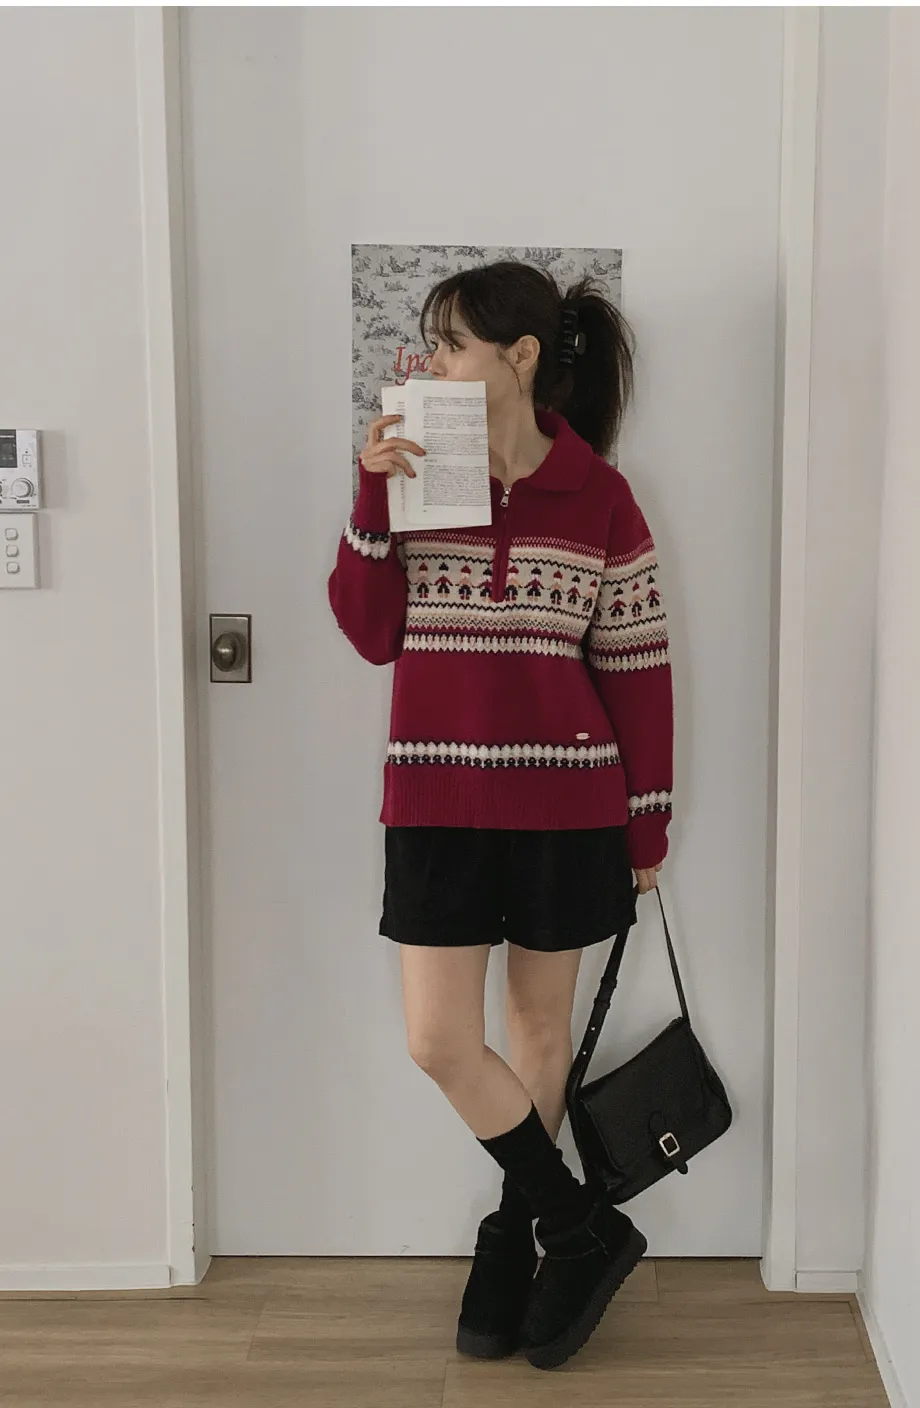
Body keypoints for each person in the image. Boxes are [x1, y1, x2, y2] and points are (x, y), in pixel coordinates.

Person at [328, 259, 673, 1371]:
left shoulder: (602, 497)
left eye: (450, 346)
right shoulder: (415, 477)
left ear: (519, 358)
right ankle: (573, 1226)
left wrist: (647, 828)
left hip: (568, 809)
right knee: (438, 1039)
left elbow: (637, 673)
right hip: (435, 800)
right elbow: (371, 634)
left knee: (536, 1036)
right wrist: (371, 501)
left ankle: (511, 1242)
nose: (429, 364)